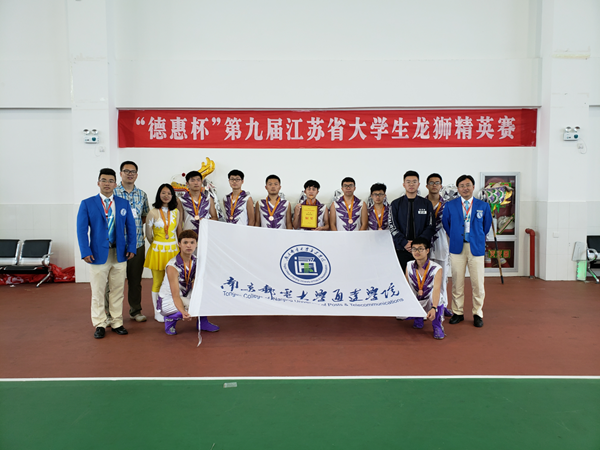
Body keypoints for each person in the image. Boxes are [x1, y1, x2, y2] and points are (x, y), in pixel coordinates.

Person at [76, 168, 136, 339]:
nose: (107, 184)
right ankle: (100, 323)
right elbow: (81, 230)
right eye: (104, 180)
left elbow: (131, 228)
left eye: (110, 181)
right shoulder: (87, 203)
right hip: (97, 254)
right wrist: (85, 251)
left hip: (119, 253)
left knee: (117, 290)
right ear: (98, 183)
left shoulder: (123, 203)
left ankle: (116, 322)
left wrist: (131, 247)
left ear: (115, 184)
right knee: (98, 291)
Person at [442, 174, 492, 328]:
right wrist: (456, 236)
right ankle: (458, 312)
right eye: (462, 186)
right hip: (457, 247)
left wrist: (477, 237)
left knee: (478, 283)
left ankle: (478, 313)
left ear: (473, 187)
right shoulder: (450, 206)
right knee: (457, 282)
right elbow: (446, 224)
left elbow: (486, 226)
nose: (465, 188)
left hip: (476, 247)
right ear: (458, 188)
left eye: (468, 185)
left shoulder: (483, 206)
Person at [107, 161, 150, 323]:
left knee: (135, 280)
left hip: (137, 243)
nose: (130, 174)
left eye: (133, 171)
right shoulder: (113, 192)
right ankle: (110, 314)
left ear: (137, 175)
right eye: (126, 171)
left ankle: (135, 310)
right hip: (116, 245)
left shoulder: (142, 194)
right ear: (121, 174)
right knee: (113, 282)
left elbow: (144, 216)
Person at [158, 230, 218, 335]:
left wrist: (201, 299)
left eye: (192, 242)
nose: (189, 245)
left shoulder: (196, 261)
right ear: (179, 244)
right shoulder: (173, 266)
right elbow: (175, 295)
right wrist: (183, 312)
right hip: (168, 299)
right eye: (185, 242)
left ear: (196, 244)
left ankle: (202, 323)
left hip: (185, 294)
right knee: (194, 307)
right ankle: (170, 319)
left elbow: (196, 284)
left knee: (205, 300)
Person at [144, 184, 181, 323]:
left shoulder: (176, 212)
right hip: (158, 250)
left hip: (173, 250)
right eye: (163, 193)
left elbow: (177, 230)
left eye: (169, 193)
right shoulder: (153, 212)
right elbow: (149, 235)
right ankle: (157, 311)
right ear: (159, 194)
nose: (166, 196)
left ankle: (171, 308)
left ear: (172, 196)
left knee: (173, 281)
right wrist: (158, 243)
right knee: (158, 281)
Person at [389, 170, 436, 272]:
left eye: (414, 182)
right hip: (402, 248)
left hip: (421, 249)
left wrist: (418, 244)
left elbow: (431, 225)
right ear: (404, 184)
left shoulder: (426, 204)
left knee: (422, 277)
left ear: (418, 184)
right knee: (403, 277)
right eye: (408, 182)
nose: (411, 184)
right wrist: (404, 242)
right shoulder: (395, 204)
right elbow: (392, 226)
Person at [405, 237, 445, 339]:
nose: (417, 252)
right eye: (414, 249)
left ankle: (437, 326)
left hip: (429, 300)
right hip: (416, 298)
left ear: (427, 250)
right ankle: (418, 317)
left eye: (420, 249)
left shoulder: (437, 268)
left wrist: (434, 307)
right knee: (400, 314)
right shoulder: (409, 265)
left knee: (439, 298)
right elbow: (406, 286)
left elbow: (436, 289)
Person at [425, 173, 451, 316]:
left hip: (441, 243)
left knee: (442, 277)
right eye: (431, 182)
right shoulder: (421, 203)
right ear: (426, 186)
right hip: (425, 244)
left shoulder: (448, 205)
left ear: (441, 186)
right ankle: (428, 306)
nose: (434, 185)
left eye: (437, 183)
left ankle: (443, 305)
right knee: (425, 277)